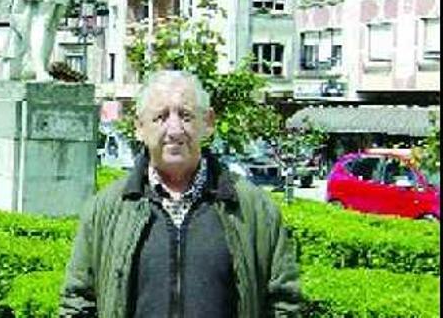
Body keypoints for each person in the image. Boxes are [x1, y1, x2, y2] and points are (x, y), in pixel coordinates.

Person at [60, 70, 300, 317]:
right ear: (139, 127)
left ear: (208, 122)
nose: (174, 130)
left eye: (185, 116)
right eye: (160, 117)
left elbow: (284, 302)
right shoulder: (106, 209)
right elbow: (78, 300)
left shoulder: (255, 209)